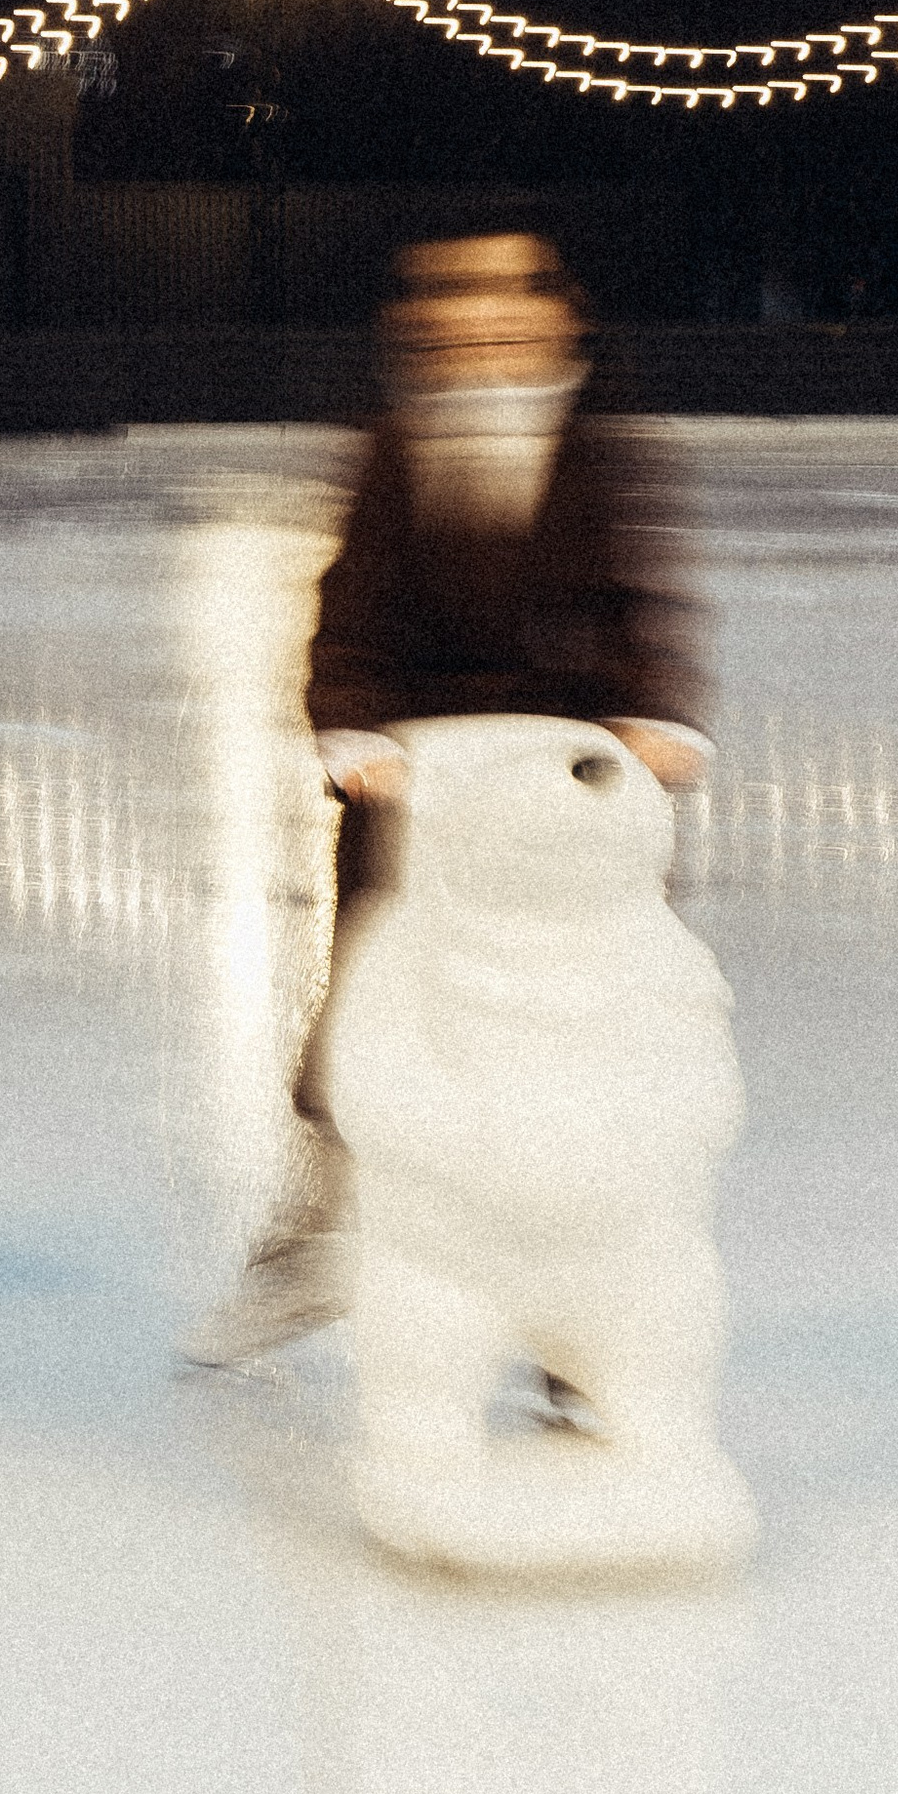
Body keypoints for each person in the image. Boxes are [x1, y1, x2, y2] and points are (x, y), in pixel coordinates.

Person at [184, 227, 712, 1367]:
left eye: (505, 296)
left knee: (582, 1065)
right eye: (451, 296)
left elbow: (644, 609)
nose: (478, 319)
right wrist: (353, 727)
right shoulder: (397, 443)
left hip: (570, 813)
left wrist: (654, 720)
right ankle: (315, 1240)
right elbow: (349, 615)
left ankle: (580, 1326)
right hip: (419, 813)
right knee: (368, 1028)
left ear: (557, 315)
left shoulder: (604, 452)